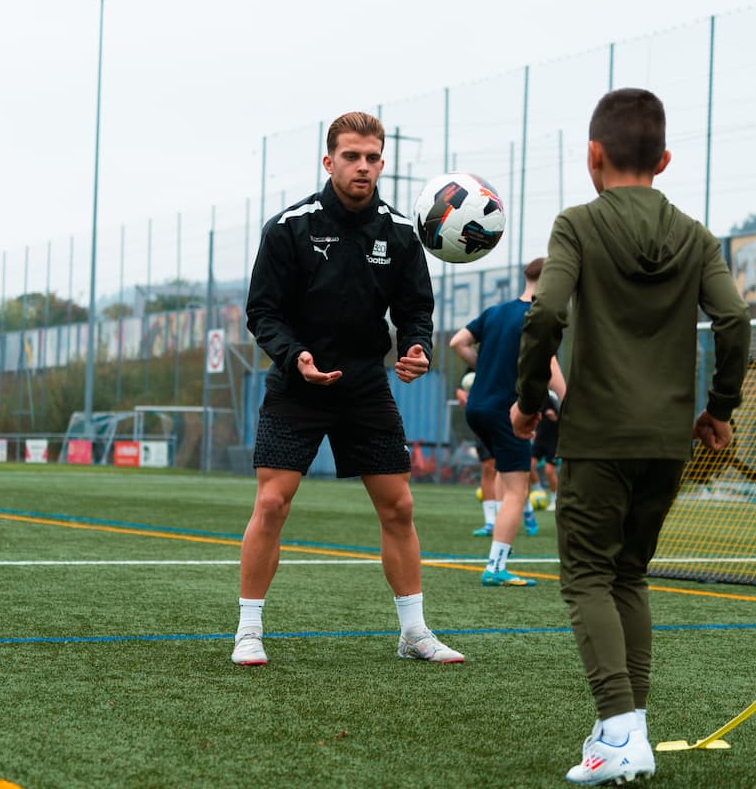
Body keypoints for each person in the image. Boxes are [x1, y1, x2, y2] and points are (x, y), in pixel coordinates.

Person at [511, 88, 751, 785]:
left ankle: (616, 730)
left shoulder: (577, 225)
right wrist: (720, 406)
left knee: (587, 576)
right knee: (629, 576)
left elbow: (546, 310)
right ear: (665, 159)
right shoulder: (696, 235)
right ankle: (629, 730)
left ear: (593, 155)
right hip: (668, 438)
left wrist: (528, 402)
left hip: (597, 432)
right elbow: (734, 320)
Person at [233, 111, 464, 666]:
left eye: (372, 157)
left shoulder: (401, 234)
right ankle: (248, 630)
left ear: (383, 162)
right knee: (271, 503)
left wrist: (415, 349)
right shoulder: (290, 227)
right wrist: (296, 357)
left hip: (364, 386)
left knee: (400, 508)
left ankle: (413, 633)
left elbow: (415, 309)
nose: (363, 167)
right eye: (352, 156)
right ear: (329, 160)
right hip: (298, 383)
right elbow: (262, 312)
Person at [450, 257, 566, 587]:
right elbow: (550, 365)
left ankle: (505, 533)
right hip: (504, 411)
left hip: (477, 408)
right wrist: (567, 399)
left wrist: (482, 366)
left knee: (504, 473)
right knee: (519, 488)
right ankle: (496, 566)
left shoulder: (496, 311)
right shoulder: (539, 317)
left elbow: (457, 342)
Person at [456, 370, 501, 536]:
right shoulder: (480, 353)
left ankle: (526, 510)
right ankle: (491, 522)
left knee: (511, 470)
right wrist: (460, 391)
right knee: (489, 468)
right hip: (484, 415)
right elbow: (463, 382)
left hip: (507, 411)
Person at [532, 389, 562, 510]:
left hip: (553, 441)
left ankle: (556, 499)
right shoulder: (538, 399)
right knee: (527, 467)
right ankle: (539, 491)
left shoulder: (555, 399)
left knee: (549, 471)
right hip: (539, 439)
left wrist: (555, 417)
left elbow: (565, 419)